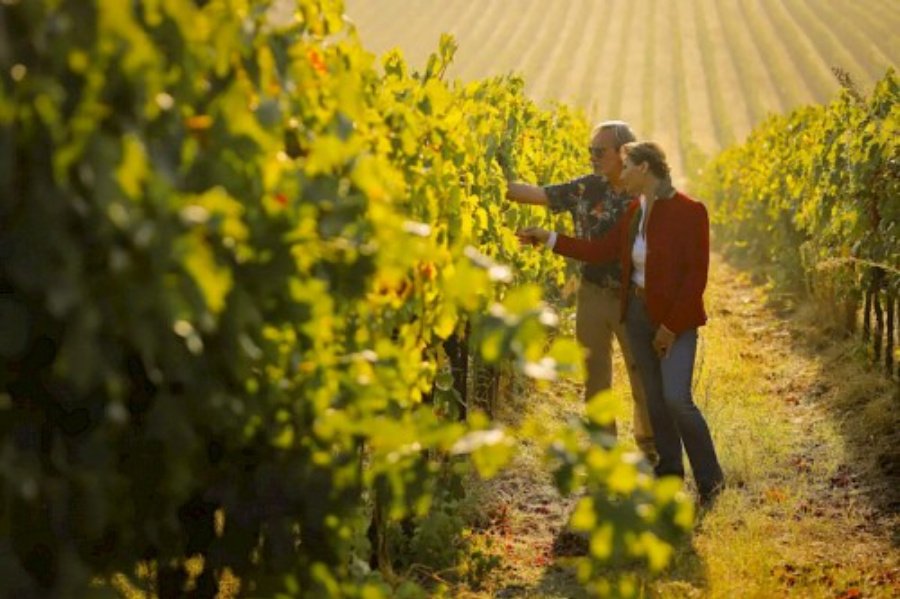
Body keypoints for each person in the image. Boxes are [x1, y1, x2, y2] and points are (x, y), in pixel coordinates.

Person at [517, 141, 724, 504]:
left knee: (677, 398)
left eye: (626, 167)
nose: (620, 174)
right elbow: (599, 252)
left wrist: (670, 328)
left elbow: (695, 280)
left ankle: (711, 480)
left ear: (645, 169)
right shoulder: (635, 211)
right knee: (656, 400)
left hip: (674, 319)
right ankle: (670, 474)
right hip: (639, 316)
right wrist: (548, 238)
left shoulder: (691, 211)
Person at [505, 121, 656, 462]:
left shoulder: (644, 194)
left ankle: (651, 453)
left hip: (633, 297)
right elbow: (539, 195)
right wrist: (486, 181)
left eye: (599, 151)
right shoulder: (586, 188)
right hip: (592, 295)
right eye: (590, 151)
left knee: (642, 377)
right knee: (595, 377)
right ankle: (604, 455)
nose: (592, 157)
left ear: (624, 153)